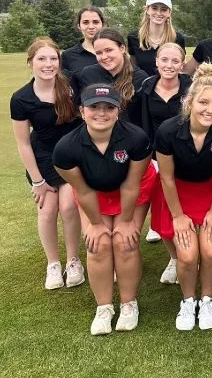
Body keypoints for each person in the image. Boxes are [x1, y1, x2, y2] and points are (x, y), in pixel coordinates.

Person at [53, 84, 157, 335]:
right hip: (93, 192)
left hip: (132, 188)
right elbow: (83, 191)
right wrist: (97, 224)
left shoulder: (136, 139)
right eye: (94, 107)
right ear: (81, 111)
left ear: (118, 111)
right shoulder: (66, 149)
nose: (101, 113)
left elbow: (132, 185)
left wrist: (126, 221)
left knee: (125, 242)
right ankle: (104, 307)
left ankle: (129, 304)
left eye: (109, 107)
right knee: (97, 244)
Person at [153, 64, 212, 330]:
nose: (209, 110)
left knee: (211, 251)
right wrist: (178, 216)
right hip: (178, 193)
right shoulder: (167, 131)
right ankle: (188, 301)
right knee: (188, 256)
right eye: (203, 102)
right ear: (190, 101)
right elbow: (166, 177)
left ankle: (207, 300)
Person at [10, 37, 84, 290]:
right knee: (47, 209)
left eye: (53, 58)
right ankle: (53, 264)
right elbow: (23, 143)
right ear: (30, 62)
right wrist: (38, 181)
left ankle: (73, 261)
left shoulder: (70, 86)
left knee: (69, 206)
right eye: (41, 59)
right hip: (42, 159)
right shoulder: (21, 98)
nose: (48, 64)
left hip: (72, 156)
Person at [136, 42, 192, 282]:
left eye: (175, 61)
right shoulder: (146, 88)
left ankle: (189, 256)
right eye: (165, 60)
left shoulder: (192, 88)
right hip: (157, 158)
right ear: (156, 62)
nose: (169, 65)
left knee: (186, 210)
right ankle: (174, 258)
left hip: (188, 157)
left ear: (182, 64)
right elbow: (140, 125)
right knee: (164, 211)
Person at [76, 28, 149, 122]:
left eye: (109, 50)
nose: (104, 57)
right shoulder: (88, 74)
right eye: (99, 53)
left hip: (128, 129)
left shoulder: (140, 78)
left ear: (122, 48)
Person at [127, 0, 186, 76]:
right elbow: (133, 67)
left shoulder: (177, 39)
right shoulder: (134, 37)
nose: (158, 13)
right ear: (147, 10)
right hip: (142, 84)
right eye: (154, 8)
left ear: (169, 12)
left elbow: (181, 68)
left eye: (164, 9)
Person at [62, 7, 105, 75]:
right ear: (79, 26)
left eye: (96, 22)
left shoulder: (114, 51)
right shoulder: (68, 56)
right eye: (85, 22)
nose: (91, 27)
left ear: (102, 24)